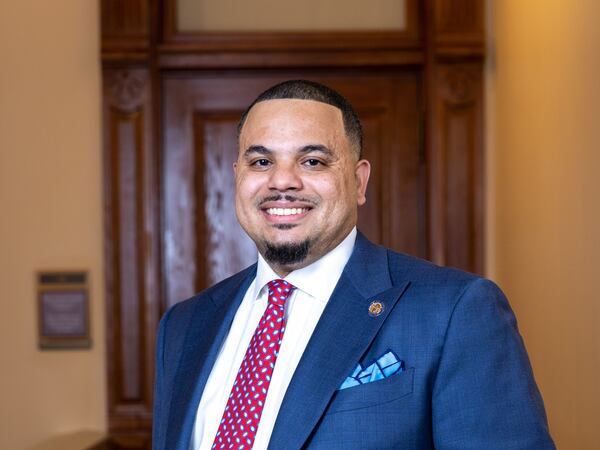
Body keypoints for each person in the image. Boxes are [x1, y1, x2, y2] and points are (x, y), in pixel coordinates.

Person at [152, 80, 555, 450]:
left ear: (359, 182)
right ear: (237, 176)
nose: (282, 181)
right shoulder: (184, 326)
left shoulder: (455, 311)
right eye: (260, 162)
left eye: (312, 161)